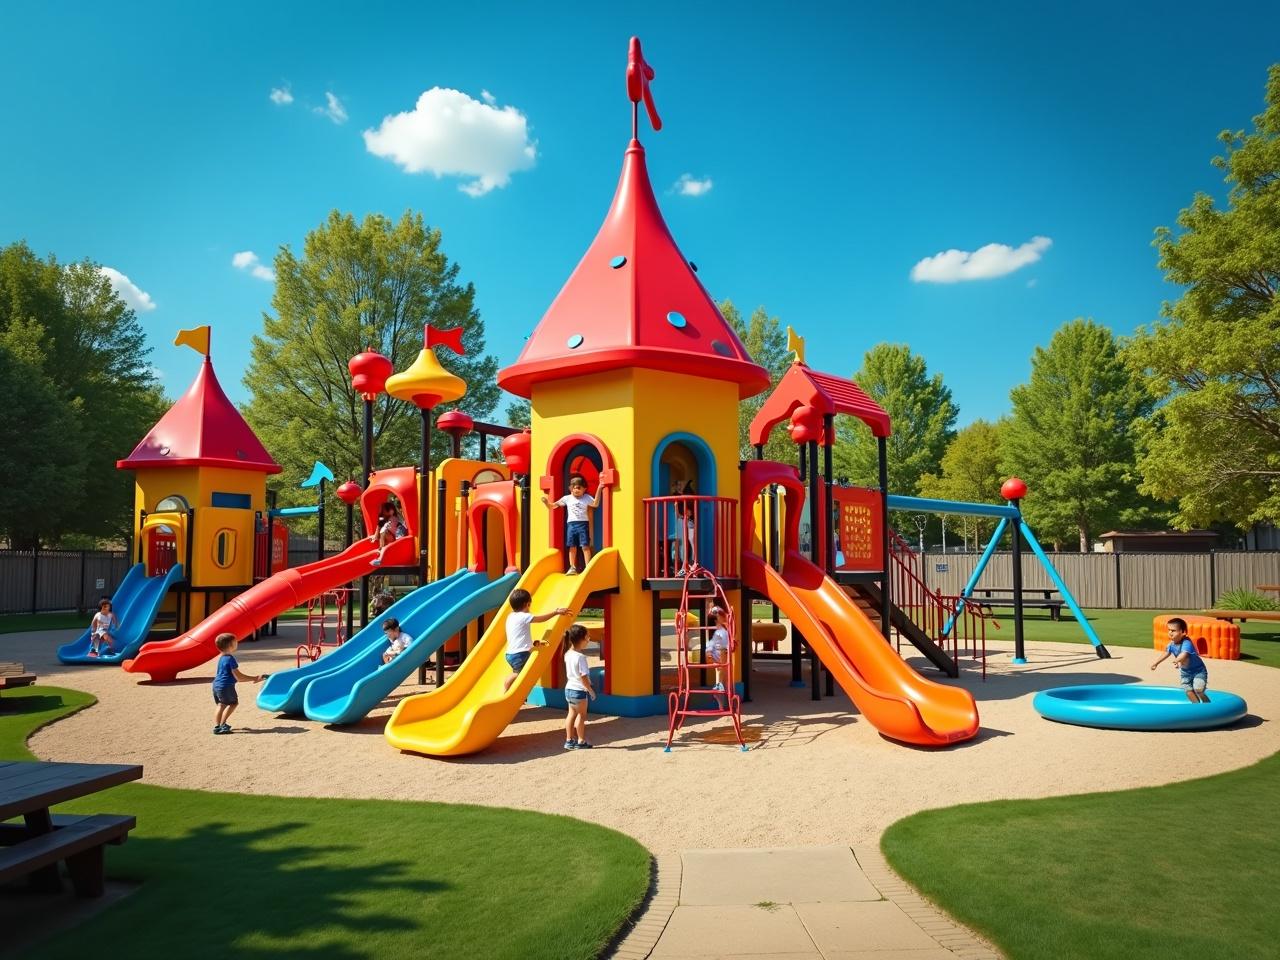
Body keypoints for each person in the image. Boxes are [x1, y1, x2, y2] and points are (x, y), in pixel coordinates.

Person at [503, 588, 571, 692]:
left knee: (519, 672)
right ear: (527, 604)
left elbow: (519, 634)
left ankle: (510, 688)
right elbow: (541, 619)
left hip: (510, 654)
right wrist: (556, 612)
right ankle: (506, 688)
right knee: (519, 674)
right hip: (520, 654)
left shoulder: (511, 616)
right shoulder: (524, 616)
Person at [212, 633, 265, 734]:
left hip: (216, 685)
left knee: (221, 704)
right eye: (235, 642)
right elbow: (239, 677)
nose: (237, 643)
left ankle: (217, 726)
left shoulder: (222, 657)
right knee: (233, 703)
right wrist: (255, 678)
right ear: (231, 645)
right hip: (225, 686)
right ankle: (223, 725)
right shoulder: (230, 659)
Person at [541, 475, 595, 575]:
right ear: (571, 489)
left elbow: (595, 504)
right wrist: (546, 502)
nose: (576, 490)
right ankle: (572, 567)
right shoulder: (567, 498)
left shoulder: (586, 498)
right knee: (572, 546)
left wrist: (600, 488)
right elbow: (552, 506)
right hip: (571, 525)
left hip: (583, 524)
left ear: (584, 489)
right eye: (574, 488)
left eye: (579, 488)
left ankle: (588, 566)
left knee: (585, 546)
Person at [1151, 617, 1211, 703]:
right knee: (1188, 691)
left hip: (1198, 670)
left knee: (1198, 689)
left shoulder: (1187, 642)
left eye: (1173, 630)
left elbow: (1184, 654)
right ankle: (1197, 708)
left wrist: (1177, 660)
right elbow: (1166, 653)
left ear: (1183, 632)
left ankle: (1208, 705)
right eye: (1169, 630)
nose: (1170, 633)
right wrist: (1156, 663)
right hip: (1185, 672)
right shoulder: (1171, 644)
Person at [562, 623, 596, 749]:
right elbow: (583, 677)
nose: (588, 640)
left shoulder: (567, 654)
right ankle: (581, 741)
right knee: (581, 716)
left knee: (571, 714)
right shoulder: (580, 657)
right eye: (587, 638)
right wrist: (590, 690)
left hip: (569, 689)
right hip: (579, 691)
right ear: (581, 639)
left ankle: (569, 740)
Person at [705, 605, 731, 709]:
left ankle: (721, 703)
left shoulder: (719, 629)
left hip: (719, 651)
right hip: (721, 652)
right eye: (720, 616)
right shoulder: (720, 631)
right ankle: (719, 696)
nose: (723, 617)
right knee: (722, 675)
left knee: (720, 674)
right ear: (717, 619)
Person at [369, 502, 408, 567]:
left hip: (398, 541)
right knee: (383, 531)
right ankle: (381, 551)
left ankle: (381, 554)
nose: (383, 513)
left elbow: (388, 527)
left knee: (383, 531)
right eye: (382, 511)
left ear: (391, 511)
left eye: (384, 511)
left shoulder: (394, 518)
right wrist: (375, 536)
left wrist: (379, 526)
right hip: (393, 538)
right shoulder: (388, 519)